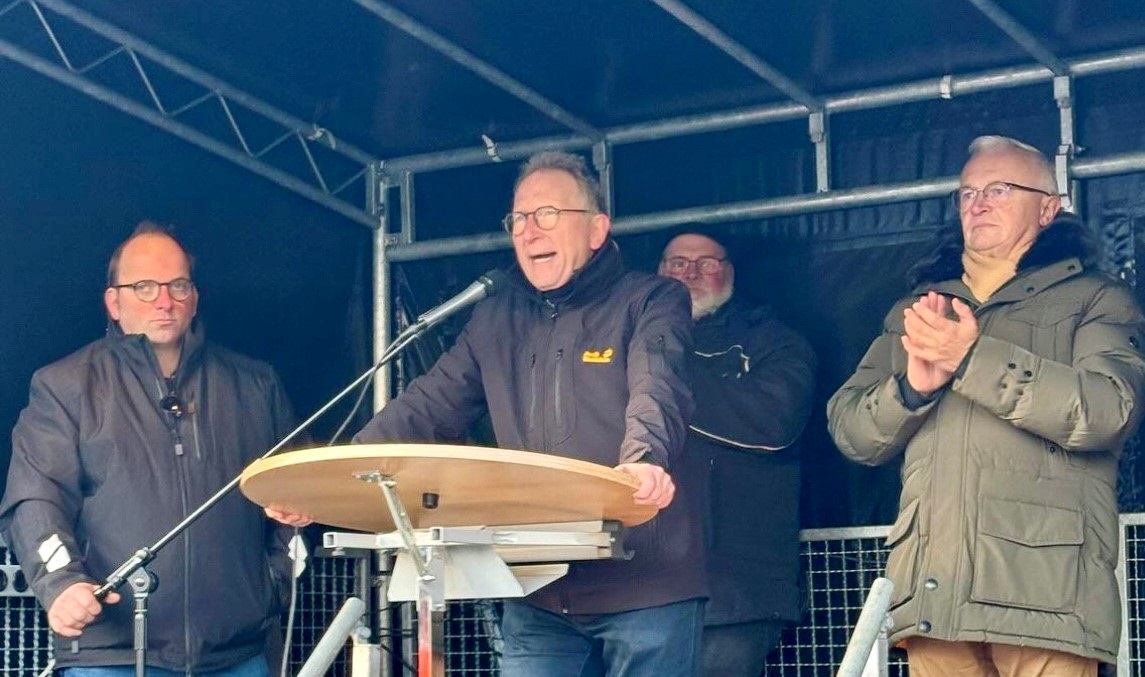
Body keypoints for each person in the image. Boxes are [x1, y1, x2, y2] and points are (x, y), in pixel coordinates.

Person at [351, 151, 705, 675]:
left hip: (646, 585)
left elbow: (658, 385)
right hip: (538, 589)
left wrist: (644, 458)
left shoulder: (651, 299)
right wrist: (342, 468)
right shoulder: (496, 315)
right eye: (518, 219)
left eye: (547, 215)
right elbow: (429, 405)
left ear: (596, 229)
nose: (529, 231)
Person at [827, 135, 1145, 675]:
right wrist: (913, 390)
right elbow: (852, 431)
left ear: (1049, 207)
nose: (977, 202)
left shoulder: (1097, 297)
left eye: (999, 189)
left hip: (1050, 596)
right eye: (967, 191)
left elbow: (1106, 411)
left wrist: (971, 358)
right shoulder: (919, 308)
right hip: (936, 593)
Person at [0, 222, 298, 676]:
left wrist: (272, 586)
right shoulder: (64, 386)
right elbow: (36, 498)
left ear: (194, 298)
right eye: (144, 287)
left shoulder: (256, 386)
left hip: (237, 655)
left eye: (179, 285)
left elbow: (296, 496)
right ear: (113, 302)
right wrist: (61, 584)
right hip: (109, 655)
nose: (165, 300)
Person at [658, 231, 816, 676]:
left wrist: (661, 377)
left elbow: (773, 422)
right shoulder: (628, 340)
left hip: (734, 591)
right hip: (637, 587)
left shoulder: (775, 341)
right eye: (677, 263)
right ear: (657, 274)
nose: (690, 273)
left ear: (731, 271)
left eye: (706, 263)